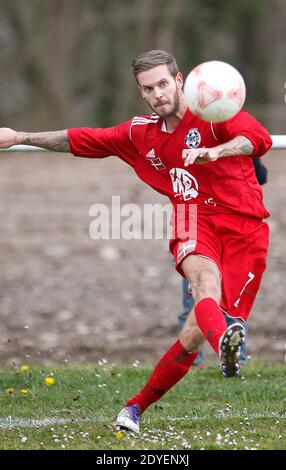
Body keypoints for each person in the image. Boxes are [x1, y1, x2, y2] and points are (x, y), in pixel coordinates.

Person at [0, 50, 272, 434]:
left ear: (179, 82)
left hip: (246, 229)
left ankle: (134, 407)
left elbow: (255, 139)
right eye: (149, 88)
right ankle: (225, 339)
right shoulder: (138, 134)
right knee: (203, 284)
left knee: (193, 333)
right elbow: (80, 138)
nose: (158, 93)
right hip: (194, 220)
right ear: (141, 93)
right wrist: (18, 137)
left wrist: (217, 150)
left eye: (163, 83)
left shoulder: (214, 112)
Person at [178, 157, 268, 366]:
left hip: (219, 228)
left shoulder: (234, 141)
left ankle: (212, 361)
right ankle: (229, 361)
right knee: (209, 299)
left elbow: (260, 176)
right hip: (205, 225)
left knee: (205, 298)